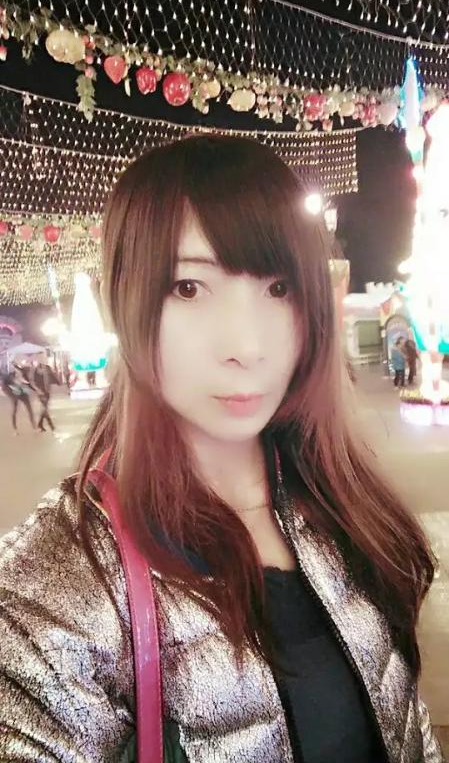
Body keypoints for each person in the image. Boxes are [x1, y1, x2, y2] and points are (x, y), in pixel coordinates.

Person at [0, 137, 443, 763]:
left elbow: (408, 725)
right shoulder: (60, 579)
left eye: (279, 288)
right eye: (188, 287)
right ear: (123, 299)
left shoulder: (338, 497)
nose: (246, 347)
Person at [0, 368, 36, 434]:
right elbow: (5, 388)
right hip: (16, 392)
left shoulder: (18, 374)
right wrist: (13, 395)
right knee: (16, 410)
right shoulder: (6, 378)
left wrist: (35, 390)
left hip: (21, 392)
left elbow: (27, 384)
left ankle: (33, 427)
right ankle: (15, 429)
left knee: (28, 409)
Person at [33, 353, 59, 432]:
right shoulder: (36, 370)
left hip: (47, 391)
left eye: (43, 357)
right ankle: (52, 426)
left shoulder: (48, 368)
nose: (42, 359)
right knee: (45, 409)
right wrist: (38, 390)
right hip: (41, 392)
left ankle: (40, 424)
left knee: (44, 409)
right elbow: (33, 381)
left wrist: (58, 383)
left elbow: (53, 377)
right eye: (40, 357)